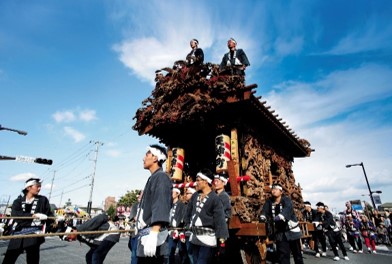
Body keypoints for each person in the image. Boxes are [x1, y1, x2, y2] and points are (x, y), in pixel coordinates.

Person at [2, 178, 54, 264]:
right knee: (9, 259)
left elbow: (49, 215)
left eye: (40, 187)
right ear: (28, 188)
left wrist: (53, 219)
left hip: (34, 234)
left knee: (33, 260)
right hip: (18, 233)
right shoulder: (17, 201)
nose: (39, 189)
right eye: (37, 186)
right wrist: (34, 216)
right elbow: (16, 215)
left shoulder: (43, 200)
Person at [135, 144, 173, 264]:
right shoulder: (154, 177)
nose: (143, 158)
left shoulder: (161, 177)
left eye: (147, 154)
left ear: (155, 158)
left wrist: (154, 233)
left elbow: (160, 205)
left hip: (154, 237)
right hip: (146, 235)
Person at [184, 168, 229, 264]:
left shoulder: (215, 199)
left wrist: (221, 239)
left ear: (205, 181)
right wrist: (187, 224)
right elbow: (188, 212)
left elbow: (219, 219)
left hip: (208, 239)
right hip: (194, 237)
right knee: (194, 261)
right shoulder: (195, 196)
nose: (196, 183)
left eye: (198, 180)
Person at [259, 183, 303, 264]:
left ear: (281, 192)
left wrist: (280, 216)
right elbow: (265, 211)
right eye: (273, 189)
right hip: (280, 233)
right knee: (283, 256)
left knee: (297, 255)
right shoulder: (269, 201)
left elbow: (288, 209)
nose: (274, 191)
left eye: (276, 189)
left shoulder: (286, 200)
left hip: (291, 231)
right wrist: (263, 216)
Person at [168, 188, 186, 264]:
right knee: (170, 252)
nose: (171, 193)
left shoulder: (181, 205)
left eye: (173, 192)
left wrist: (178, 228)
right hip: (170, 230)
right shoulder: (169, 204)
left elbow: (182, 218)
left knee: (182, 251)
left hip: (179, 230)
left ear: (177, 194)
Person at [178, 187, 196, 264]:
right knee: (183, 253)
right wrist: (182, 232)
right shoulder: (185, 205)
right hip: (185, 232)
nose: (186, 195)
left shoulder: (195, 206)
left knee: (191, 254)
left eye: (188, 193)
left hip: (192, 233)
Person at [128, 191, 143, 264]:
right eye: (140, 196)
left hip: (144, 232)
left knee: (138, 252)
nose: (140, 197)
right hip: (135, 231)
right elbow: (133, 218)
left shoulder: (148, 205)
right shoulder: (135, 205)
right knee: (133, 251)